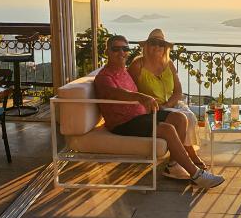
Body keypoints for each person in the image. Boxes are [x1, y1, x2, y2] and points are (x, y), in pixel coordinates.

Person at [94, 35, 224, 190]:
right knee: (167, 129)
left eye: (125, 48)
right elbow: (113, 93)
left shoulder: (124, 71)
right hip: (123, 123)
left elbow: (175, 90)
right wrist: (141, 97)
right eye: (116, 49)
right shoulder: (104, 76)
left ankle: (173, 166)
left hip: (140, 115)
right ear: (107, 51)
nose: (121, 52)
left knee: (180, 118)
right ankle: (197, 175)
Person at [129, 28, 205, 180]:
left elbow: (178, 91)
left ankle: (179, 159)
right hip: (152, 108)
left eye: (161, 44)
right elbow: (130, 90)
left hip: (171, 103)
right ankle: (187, 157)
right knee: (186, 118)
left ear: (165, 48)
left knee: (190, 117)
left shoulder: (168, 63)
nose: (157, 47)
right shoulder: (138, 65)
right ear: (146, 46)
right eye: (153, 43)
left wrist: (168, 104)